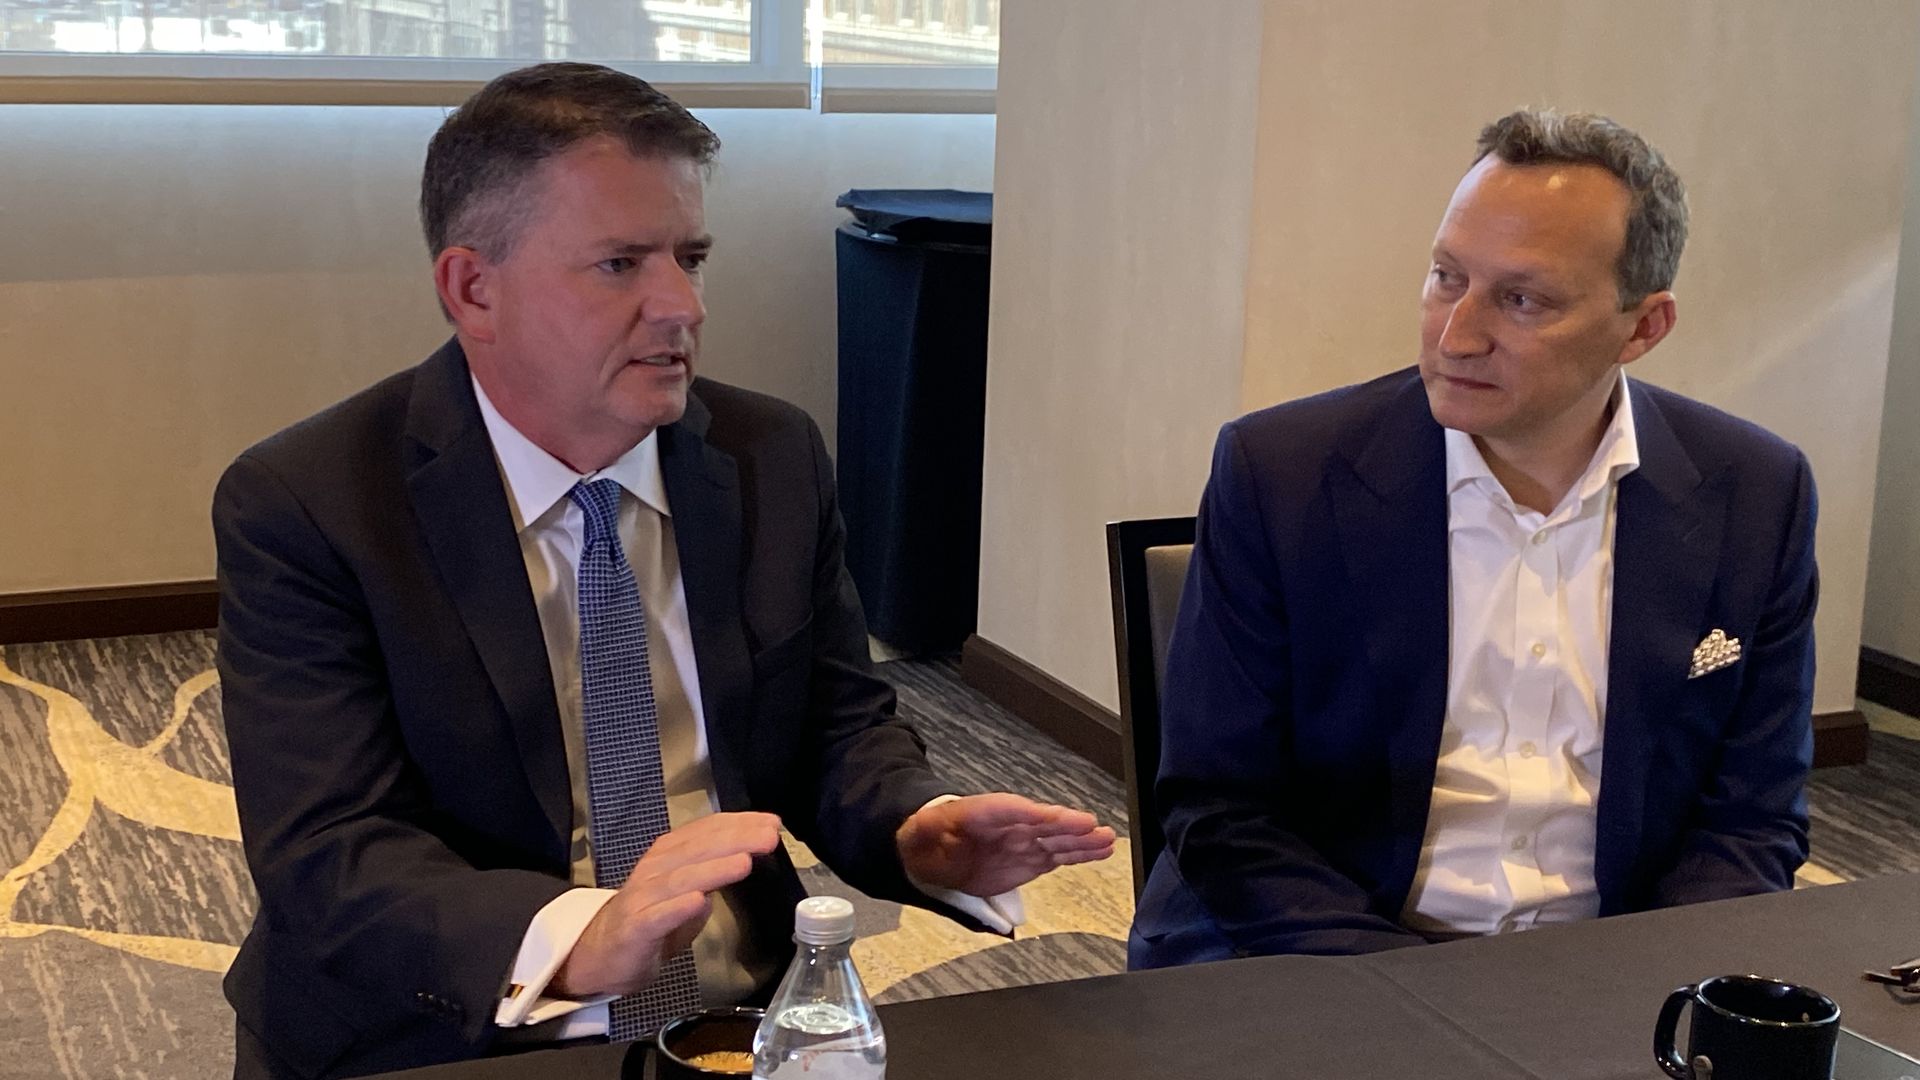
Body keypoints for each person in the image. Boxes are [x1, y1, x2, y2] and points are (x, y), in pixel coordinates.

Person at [215, 62, 1114, 1080]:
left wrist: (918, 827)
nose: (681, 304)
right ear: (474, 289)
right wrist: (576, 935)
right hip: (450, 1022)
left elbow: (836, 724)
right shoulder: (314, 500)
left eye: (691, 256)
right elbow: (330, 853)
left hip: (735, 1017)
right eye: (620, 265)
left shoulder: (768, 453)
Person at [1129, 109, 1816, 968]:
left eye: (1522, 300)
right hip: (1316, 958)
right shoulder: (1282, 473)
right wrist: (1420, 1002)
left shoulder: (1755, 492)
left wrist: (1653, 978)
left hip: (1611, 969)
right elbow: (1221, 809)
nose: (1457, 336)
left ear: (1644, 327)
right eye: (1447, 278)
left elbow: (1752, 816)